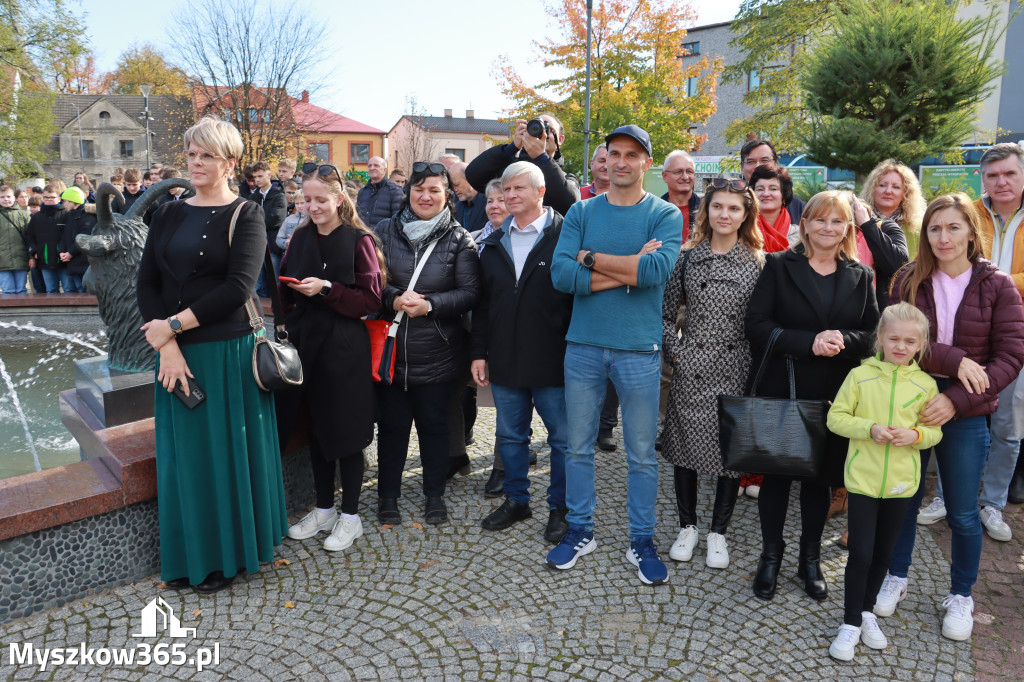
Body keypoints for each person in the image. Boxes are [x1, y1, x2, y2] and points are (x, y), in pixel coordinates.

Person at [136, 115, 288, 594]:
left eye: (207, 155)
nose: (196, 163)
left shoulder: (247, 214)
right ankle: (190, 557)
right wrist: (167, 345)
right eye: (191, 154)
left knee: (225, 457)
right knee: (186, 459)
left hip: (226, 355)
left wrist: (172, 327)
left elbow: (237, 288)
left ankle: (229, 556)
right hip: (175, 354)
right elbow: (147, 282)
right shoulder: (168, 213)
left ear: (229, 162)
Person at [878, 193, 1024, 640]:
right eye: (935, 228)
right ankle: (895, 576)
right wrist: (955, 359)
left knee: (962, 511)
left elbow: (1010, 356)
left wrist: (957, 400)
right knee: (903, 500)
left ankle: (961, 594)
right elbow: (897, 341)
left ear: (970, 233)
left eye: (953, 227)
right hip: (912, 403)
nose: (943, 237)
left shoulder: (998, 285)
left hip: (965, 410)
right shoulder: (909, 279)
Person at [548, 125, 682, 585]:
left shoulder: (664, 214)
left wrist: (589, 258)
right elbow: (561, 277)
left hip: (639, 350)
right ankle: (580, 530)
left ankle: (641, 539)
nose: (621, 162)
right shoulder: (582, 210)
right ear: (604, 159)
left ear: (647, 162)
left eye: (631, 155)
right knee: (577, 447)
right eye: (614, 153)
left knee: (641, 454)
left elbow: (656, 272)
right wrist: (627, 268)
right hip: (583, 345)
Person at [745, 190, 880, 602]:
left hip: (834, 393)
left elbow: (872, 336)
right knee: (777, 476)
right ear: (805, 224)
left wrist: (843, 340)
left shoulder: (860, 276)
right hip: (783, 387)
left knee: (819, 481)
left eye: (837, 221)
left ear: (848, 228)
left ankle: (810, 558)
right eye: (820, 219)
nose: (827, 227)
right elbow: (756, 324)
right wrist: (809, 342)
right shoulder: (778, 265)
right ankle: (770, 556)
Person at [825, 303, 942, 661]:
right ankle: (849, 623)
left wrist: (916, 435)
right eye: (894, 339)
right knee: (861, 552)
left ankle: (866, 612)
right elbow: (835, 418)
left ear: (921, 344)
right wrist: (869, 429)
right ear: (880, 338)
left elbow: (934, 432)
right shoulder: (860, 376)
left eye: (910, 341)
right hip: (863, 480)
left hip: (901, 485)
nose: (901, 347)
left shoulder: (926, 384)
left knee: (884, 554)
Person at [277, 165, 385, 552]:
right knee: (316, 430)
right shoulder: (300, 237)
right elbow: (283, 286)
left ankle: (351, 516)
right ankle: (324, 509)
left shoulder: (359, 240)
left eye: (320, 199)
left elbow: (370, 300)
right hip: (305, 343)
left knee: (346, 432)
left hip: (343, 347)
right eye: (307, 200)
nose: (313, 207)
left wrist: (327, 289)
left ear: (340, 198)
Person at [661, 177, 763, 570]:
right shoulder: (686, 258)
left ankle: (718, 531)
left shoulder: (759, 262)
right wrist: (678, 353)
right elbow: (664, 315)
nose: (725, 214)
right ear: (707, 210)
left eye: (734, 208)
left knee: (729, 454)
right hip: (692, 367)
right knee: (685, 449)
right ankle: (687, 526)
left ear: (745, 214)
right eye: (718, 206)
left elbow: (763, 322)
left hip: (736, 368)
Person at [471, 161, 573, 543]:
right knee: (511, 437)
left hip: (554, 360)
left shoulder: (565, 236)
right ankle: (517, 500)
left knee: (562, 440)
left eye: (518, 188)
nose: (510, 196)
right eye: (506, 189)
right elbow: (483, 305)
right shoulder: (494, 242)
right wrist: (479, 352)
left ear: (540, 191)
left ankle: (560, 508)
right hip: (506, 357)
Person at [374, 161, 480, 526]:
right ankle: (388, 496)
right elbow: (370, 281)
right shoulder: (385, 230)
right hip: (391, 353)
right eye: (418, 189)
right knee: (391, 430)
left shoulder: (459, 238)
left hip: (438, 353)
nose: (425, 196)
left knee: (434, 428)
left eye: (434, 190)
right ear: (408, 193)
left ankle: (434, 494)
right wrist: (393, 298)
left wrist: (431, 304)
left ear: (446, 195)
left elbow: (470, 292)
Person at [972, 142, 1024, 541]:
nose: (1001, 182)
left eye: (1009, 173)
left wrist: (997, 283)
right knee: (960, 416)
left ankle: (992, 502)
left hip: (1017, 334)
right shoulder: (968, 214)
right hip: (971, 330)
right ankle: (948, 497)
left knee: (1008, 424)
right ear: (983, 179)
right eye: (993, 175)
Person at [465, 112, 580, 217]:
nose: (543, 133)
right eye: (536, 127)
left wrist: (542, 158)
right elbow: (474, 176)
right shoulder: (511, 171)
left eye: (548, 129)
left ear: (560, 139)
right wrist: (512, 148)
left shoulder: (567, 179)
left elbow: (570, 204)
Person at [860, 160, 926, 259]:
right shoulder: (859, 222)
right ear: (872, 190)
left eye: (896, 187)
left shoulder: (918, 228)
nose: (888, 191)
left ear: (906, 193)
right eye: (882, 185)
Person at [739, 139, 805, 225]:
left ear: (775, 164)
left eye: (764, 160)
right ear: (742, 168)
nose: (758, 166)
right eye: (751, 161)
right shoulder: (733, 203)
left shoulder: (796, 206)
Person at [251, 160, 288, 295]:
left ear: (269, 175)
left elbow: (275, 219)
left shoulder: (279, 195)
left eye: (260, 176)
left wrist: (255, 222)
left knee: (275, 279)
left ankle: (279, 305)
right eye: (255, 177)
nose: (257, 180)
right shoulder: (254, 196)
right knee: (259, 282)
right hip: (257, 244)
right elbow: (248, 218)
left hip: (272, 245)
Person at [25, 184, 67, 293]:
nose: (48, 200)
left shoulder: (66, 214)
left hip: (64, 261)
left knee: (69, 290)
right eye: (46, 197)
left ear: (59, 198)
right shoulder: (36, 217)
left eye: (52, 197)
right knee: (51, 290)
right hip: (45, 260)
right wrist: (34, 252)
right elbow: (29, 236)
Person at [749, 165, 798, 252]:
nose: (766, 194)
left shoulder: (800, 236)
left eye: (773, 189)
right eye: (760, 189)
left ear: (784, 196)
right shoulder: (742, 232)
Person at [58, 187, 96, 293]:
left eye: (65, 201)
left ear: (72, 201)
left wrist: (70, 253)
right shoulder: (71, 215)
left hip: (84, 263)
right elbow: (65, 236)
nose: (64, 204)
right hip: (74, 262)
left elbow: (85, 238)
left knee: (85, 292)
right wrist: (62, 251)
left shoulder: (88, 217)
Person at [660, 150, 700, 241]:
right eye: (678, 172)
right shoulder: (654, 212)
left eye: (689, 171)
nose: (685, 177)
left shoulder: (706, 211)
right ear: (665, 176)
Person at [356, 156, 404, 229]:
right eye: (369, 166)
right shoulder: (362, 192)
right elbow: (357, 218)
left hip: (383, 236)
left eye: (376, 165)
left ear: (385, 170)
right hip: (363, 234)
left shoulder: (395, 192)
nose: (372, 168)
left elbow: (397, 222)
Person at [0, 185, 31, 294]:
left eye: (8, 196)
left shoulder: (23, 215)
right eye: (2, 197)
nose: (6, 199)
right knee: (7, 290)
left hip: (21, 258)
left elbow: (30, 238)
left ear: (14, 198)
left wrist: (31, 257)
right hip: (2, 261)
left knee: (21, 290)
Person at [449, 162, 488, 233]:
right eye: (452, 186)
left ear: (470, 179)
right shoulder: (456, 206)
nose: (455, 189)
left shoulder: (488, 202)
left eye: (457, 185)